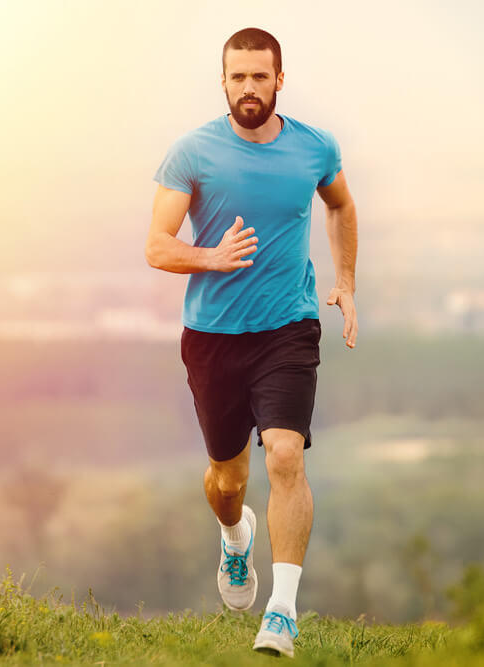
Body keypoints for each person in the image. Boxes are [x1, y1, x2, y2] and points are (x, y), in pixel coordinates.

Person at [145, 27, 358, 658]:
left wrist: (345, 279)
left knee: (286, 457)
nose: (248, 88)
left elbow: (341, 206)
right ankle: (235, 537)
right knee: (227, 476)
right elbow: (156, 245)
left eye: (259, 76)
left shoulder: (316, 147)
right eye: (237, 77)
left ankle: (283, 612)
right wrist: (210, 258)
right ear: (224, 81)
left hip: (288, 329)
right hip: (213, 337)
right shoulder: (193, 153)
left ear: (279, 80)